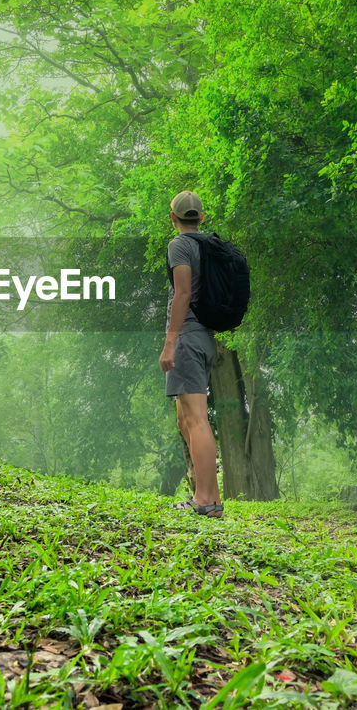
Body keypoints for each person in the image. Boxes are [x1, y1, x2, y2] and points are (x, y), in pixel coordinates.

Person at [159, 190, 223, 518]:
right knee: (186, 417)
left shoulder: (179, 245)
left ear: (174, 218)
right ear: (201, 216)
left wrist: (170, 342)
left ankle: (207, 501)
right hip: (204, 338)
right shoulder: (210, 246)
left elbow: (183, 293)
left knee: (196, 418)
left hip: (187, 336)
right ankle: (204, 495)